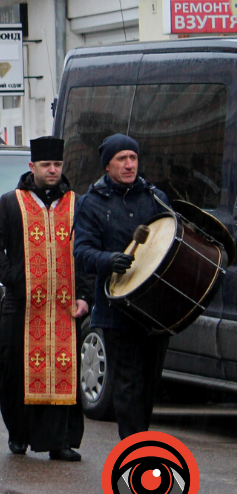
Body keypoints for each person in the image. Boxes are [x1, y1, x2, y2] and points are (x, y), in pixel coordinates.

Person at [0, 137, 90, 461]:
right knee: (16, 373)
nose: (52, 170)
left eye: (57, 164)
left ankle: (60, 440)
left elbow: (86, 252)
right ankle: (19, 434)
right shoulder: (11, 202)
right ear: (32, 167)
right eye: (46, 165)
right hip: (22, 307)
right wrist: (15, 277)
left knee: (63, 370)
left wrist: (85, 295)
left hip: (64, 308)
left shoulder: (76, 204)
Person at [74, 133, 171, 439]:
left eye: (133, 158)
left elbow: (170, 240)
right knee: (127, 387)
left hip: (153, 310)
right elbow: (81, 252)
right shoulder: (91, 203)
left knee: (148, 385)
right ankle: (135, 450)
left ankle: (139, 441)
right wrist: (108, 260)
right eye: (121, 159)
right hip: (117, 310)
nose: (129, 164)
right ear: (107, 166)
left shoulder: (155, 198)